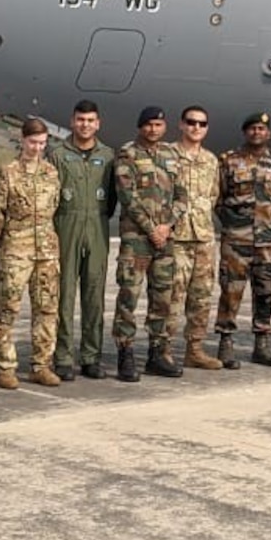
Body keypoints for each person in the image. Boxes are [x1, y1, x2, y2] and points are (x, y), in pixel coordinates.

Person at [112, 106, 186, 380]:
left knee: (163, 298)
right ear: (140, 126)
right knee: (129, 297)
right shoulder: (128, 153)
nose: (153, 129)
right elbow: (127, 197)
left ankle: (158, 353)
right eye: (148, 125)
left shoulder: (171, 155)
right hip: (137, 241)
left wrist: (167, 226)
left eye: (158, 125)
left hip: (165, 239)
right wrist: (151, 228)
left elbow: (182, 196)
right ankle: (125, 353)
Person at [0, 117, 63, 387]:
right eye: (33, 142)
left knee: (46, 309)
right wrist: (7, 241)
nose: (37, 148)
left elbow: (53, 208)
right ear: (23, 140)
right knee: (7, 308)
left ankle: (41, 364)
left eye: (42, 143)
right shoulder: (7, 172)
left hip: (46, 251)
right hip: (16, 250)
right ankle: (5, 366)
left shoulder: (51, 173)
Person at [215, 111, 271, 367]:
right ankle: (225, 342)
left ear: (268, 133)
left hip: (267, 242)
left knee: (265, 292)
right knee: (231, 291)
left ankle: (262, 344)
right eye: (252, 128)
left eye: (261, 129)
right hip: (236, 240)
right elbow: (218, 198)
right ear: (245, 132)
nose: (257, 132)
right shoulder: (228, 160)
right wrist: (233, 224)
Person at [48, 100, 116, 380]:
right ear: (73, 121)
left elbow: (111, 199)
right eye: (80, 120)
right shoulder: (57, 154)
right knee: (64, 295)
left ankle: (91, 356)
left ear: (98, 123)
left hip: (97, 227)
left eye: (90, 120)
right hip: (67, 224)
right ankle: (63, 356)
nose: (85, 125)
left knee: (94, 295)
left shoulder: (108, 156)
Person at [169, 104, 226, 369]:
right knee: (172, 297)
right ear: (181, 124)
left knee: (201, 296)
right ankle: (164, 349)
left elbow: (213, 195)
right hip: (177, 237)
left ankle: (195, 349)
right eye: (191, 122)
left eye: (202, 124)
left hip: (203, 237)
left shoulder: (211, 160)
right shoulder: (169, 155)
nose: (196, 128)